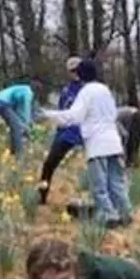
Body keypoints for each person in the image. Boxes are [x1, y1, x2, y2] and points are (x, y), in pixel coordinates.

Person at [39, 59, 131, 228]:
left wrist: (48, 114)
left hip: (97, 145)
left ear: (81, 75)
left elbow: (74, 117)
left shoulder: (86, 92)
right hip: (114, 142)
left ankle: (109, 217)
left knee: (99, 185)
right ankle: (125, 214)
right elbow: (113, 114)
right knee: (116, 182)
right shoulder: (105, 90)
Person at [38, 57, 85, 205]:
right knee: (48, 164)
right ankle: (42, 198)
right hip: (66, 135)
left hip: (84, 134)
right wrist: (58, 134)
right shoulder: (66, 90)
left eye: (77, 70)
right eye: (72, 71)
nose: (75, 73)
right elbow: (61, 112)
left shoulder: (89, 89)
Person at [0, 79, 37, 159]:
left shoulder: (22, 89)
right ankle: (18, 154)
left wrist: (23, 123)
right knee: (16, 127)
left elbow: (18, 110)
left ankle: (12, 150)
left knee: (14, 126)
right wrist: (26, 125)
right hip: (2, 103)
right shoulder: (28, 92)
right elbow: (26, 109)